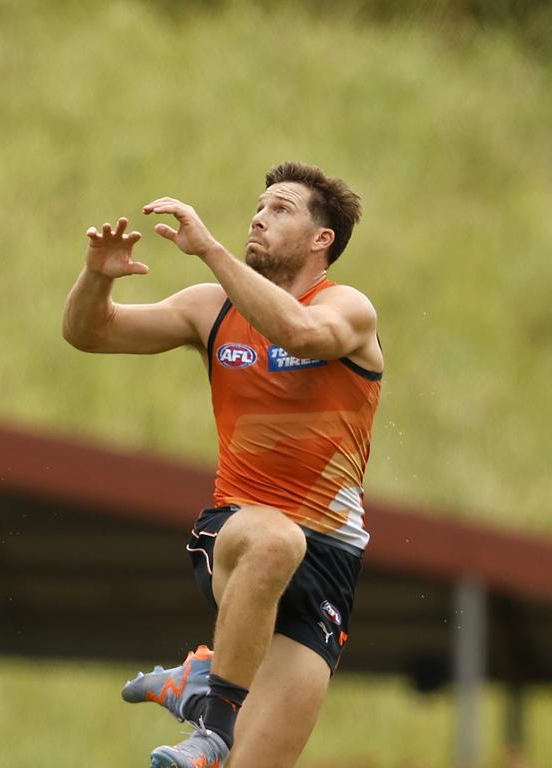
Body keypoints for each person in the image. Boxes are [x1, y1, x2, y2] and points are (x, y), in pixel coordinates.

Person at [62, 161, 382, 768]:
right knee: (276, 539)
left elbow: (301, 334)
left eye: (281, 207)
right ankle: (210, 727)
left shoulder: (347, 308)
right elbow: (90, 333)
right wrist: (94, 278)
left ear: (323, 240)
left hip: (332, 563)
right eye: (259, 205)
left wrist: (208, 249)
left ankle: (203, 678)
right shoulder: (211, 308)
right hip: (239, 530)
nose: (260, 215)